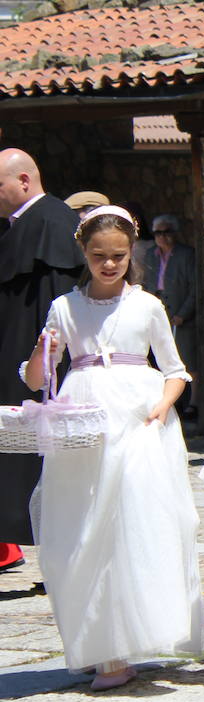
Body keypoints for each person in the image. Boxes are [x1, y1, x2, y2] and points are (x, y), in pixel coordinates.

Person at [22, 205, 202, 691]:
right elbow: (39, 377)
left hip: (138, 422)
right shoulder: (64, 307)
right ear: (83, 251)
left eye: (118, 256)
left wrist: (162, 408)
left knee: (135, 526)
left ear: (131, 254)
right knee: (82, 528)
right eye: (99, 255)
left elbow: (175, 369)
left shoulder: (147, 306)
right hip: (85, 421)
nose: (108, 265)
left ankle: (130, 638)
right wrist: (44, 350)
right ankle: (99, 645)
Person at [0, 149, 83, 557]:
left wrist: (48, 369)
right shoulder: (23, 225)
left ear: (24, 182)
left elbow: (57, 310)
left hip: (39, 374)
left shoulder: (52, 223)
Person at [145, 215, 199, 424]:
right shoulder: (151, 255)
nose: (162, 237)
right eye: (158, 233)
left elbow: (194, 287)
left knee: (188, 358)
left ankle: (192, 404)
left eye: (167, 232)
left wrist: (183, 314)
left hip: (180, 311)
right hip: (159, 307)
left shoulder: (186, 254)